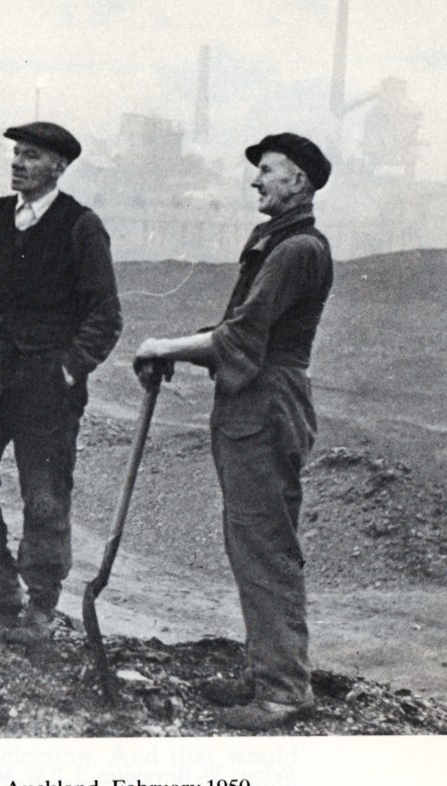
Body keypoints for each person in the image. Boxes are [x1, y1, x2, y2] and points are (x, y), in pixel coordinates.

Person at [134, 133, 334, 730]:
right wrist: (181, 348)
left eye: (267, 171)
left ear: (297, 180)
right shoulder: (277, 241)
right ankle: (268, 668)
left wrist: (164, 345)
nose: (255, 180)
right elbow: (237, 329)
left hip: (267, 405)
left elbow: (241, 336)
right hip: (254, 403)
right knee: (252, 542)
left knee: (264, 545)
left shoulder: (297, 249)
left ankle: (283, 690)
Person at [0, 122, 122, 644]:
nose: (18, 163)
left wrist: (69, 368)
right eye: (16, 153)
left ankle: (41, 606)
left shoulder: (81, 226)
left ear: (59, 167)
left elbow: (106, 315)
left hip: (45, 379)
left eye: (32, 156)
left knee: (44, 493)